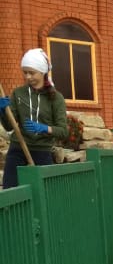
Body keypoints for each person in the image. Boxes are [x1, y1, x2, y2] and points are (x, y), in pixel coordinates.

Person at [0, 48, 68, 189]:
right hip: (18, 149)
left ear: (42, 72)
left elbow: (63, 131)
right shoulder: (18, 93)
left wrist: (45, 128)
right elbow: (8, 126)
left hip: (42, 151)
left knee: (44, 192)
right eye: (25, 72)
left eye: (32, 72)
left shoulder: (56, 98)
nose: (28, 77)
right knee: (10, 190)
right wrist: (3, 111)